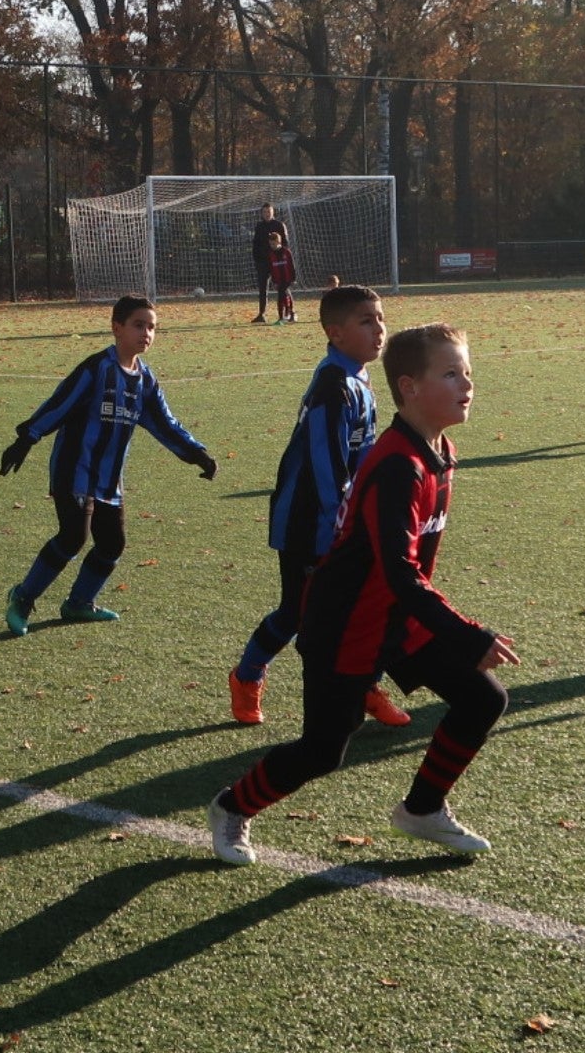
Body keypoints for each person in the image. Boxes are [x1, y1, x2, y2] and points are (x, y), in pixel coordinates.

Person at [207, 323, 519, 864]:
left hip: (398, 616)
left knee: (482, 698)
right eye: (450, 374)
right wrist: (469, 635)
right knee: (323, 750)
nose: (467, 384)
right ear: (409, 387)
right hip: (345, 623)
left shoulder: (439, 450)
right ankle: (232, 806)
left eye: (468, 371)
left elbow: (405, 578)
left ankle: (422, 809)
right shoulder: (398, 465)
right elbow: (399, 571)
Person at [227, 285, 408, 728]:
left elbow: (361, 454)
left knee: (367, 606)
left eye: (380, 318)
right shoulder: (333, 385)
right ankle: (247, 675)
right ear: (336, 333)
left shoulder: (358, 377)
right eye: (366, 321)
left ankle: (365, 685)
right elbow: (326, 466)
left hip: (347, 519)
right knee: (297, 612)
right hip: (308, 522)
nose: (379, 329)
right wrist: (342, 524)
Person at [0, 294, 218, 635]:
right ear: (117, 328)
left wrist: (196, 452)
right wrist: (27, 437)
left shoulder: (145, 380)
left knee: (112, 543)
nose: (146, 333)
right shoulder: (96, 368)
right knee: (73, 537)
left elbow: (165, 423)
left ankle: (79, 602)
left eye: (152, 327)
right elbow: (60, 403)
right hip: (74, 470)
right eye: (138, 325)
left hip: (109, 478)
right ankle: (23, 597)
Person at [250, 203, 288, 324]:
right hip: (263, 263)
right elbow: (256, 244)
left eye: (269, 212)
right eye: (265, 212)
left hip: (277, 262)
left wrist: (282, 260)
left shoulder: (279, 225)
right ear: (262, 213)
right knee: (262, 288)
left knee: (283, 288)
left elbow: (285, 244)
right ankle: (262, 314)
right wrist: (257, 259)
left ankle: (289, 312)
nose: (267, 214)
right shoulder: (259, 226)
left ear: (273, 212)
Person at [266, 230, 297, 323]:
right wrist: (274, 281)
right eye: (270, 244)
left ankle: (284, 316)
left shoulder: (286, 252)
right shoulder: (271, 255)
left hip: (287, 279)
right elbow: (271, 269)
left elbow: (291, 266)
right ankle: (288, 314)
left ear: (278, 242)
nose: (272, 246)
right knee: (284, 296)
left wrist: (293, 278)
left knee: (282, 295)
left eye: (273, 244)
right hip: (278, 280)